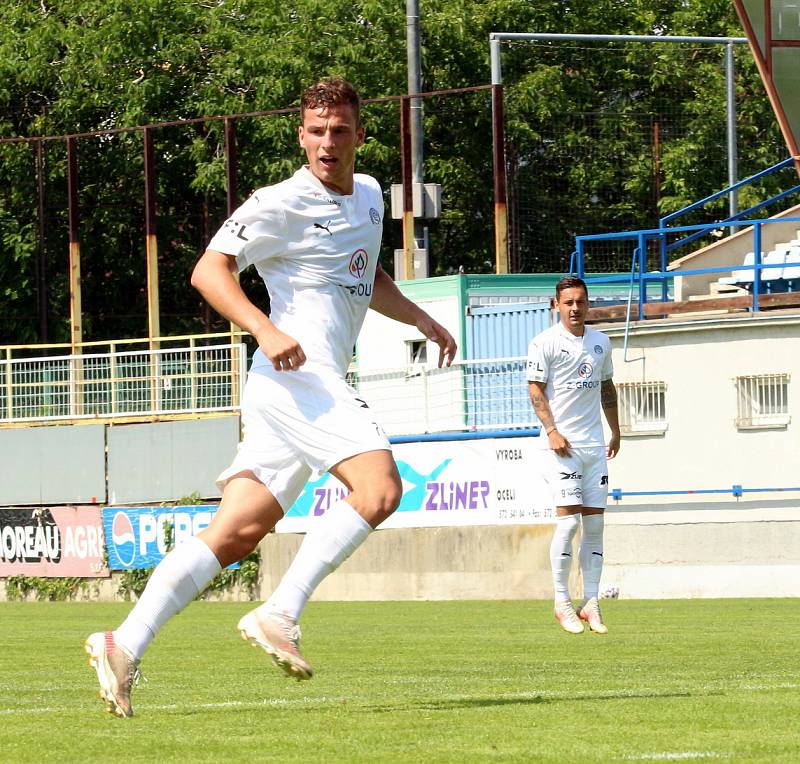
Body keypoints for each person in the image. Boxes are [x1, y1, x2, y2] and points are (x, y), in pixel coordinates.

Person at [85, 77, 457, 718]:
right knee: (380, 489)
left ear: (360, 135)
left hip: (294, 387)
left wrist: (419, 317)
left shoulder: (368, 195)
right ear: (301, 136)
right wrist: (263, 325)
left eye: (340, 130)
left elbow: (364, 276)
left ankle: (124, 643)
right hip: (298, 378)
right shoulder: (279, 202)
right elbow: (208, 270)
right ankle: (280, 612)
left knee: (237, 532)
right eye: (316, 131)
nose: (328, 142)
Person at [526, 275, 620, 635]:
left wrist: (616, 429)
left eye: (580, 301)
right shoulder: (544, 343)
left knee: (595, 526)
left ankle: (591, 602)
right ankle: (562, 602)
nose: (575, 308)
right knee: (568, 523)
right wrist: (552, 431)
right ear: (557, 305)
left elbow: (606, 387)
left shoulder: (601, 343)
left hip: (594, 447)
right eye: (568, 302)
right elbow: (535, 391)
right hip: (561, 447)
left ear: (588, 303)